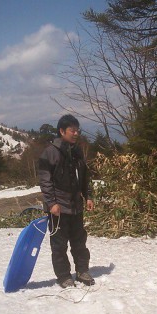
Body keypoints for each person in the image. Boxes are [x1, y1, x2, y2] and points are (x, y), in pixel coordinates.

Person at [38, 114, 95, 288]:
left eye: (78, 130)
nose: (76, 133)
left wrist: (89, 196)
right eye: (72, 130)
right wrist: (51, 203)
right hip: (58, 208)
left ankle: (82, 271)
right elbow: (45, 181)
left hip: (76, 206)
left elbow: (85, 177)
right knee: (59, 244)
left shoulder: (77, 151)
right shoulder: (50, 152)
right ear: (62, 131)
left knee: (79, 241)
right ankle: (63, 276)